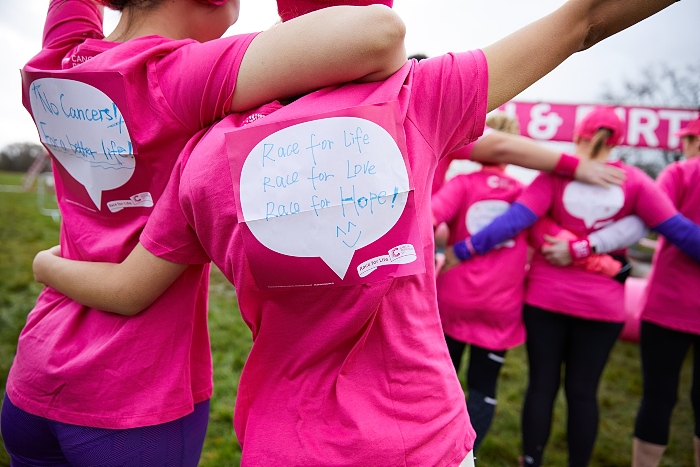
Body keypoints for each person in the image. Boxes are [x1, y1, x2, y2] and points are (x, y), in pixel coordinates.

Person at [30, 1, 683, 465]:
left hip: (272, 438)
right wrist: (576, 163)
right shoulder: (417, 99)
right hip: (413, 436)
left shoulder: (201, 155)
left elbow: (130, 283)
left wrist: (46, 261)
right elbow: (584, 20)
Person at [1, 0, 408, 464]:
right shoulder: (175, 78)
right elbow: (378, 32)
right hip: (131, 397)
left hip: (33, 374)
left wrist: (46, 263)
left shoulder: (55, 61)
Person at [441, 106, 700, 467]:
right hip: (603, 307)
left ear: (578, 136)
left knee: (541, 387)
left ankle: (531, 460)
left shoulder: (555, 177)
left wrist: (464, 249)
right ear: (617, 141)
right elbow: (682, 233)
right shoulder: (635, 181)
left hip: (545, 299)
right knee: (584, 394)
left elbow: (516, 221)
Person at [632, 116, 700, 467]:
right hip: (669, 305)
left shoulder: (679, 173)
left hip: (668, 304)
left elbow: (656, 216)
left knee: (658, 397)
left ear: (693, 141)